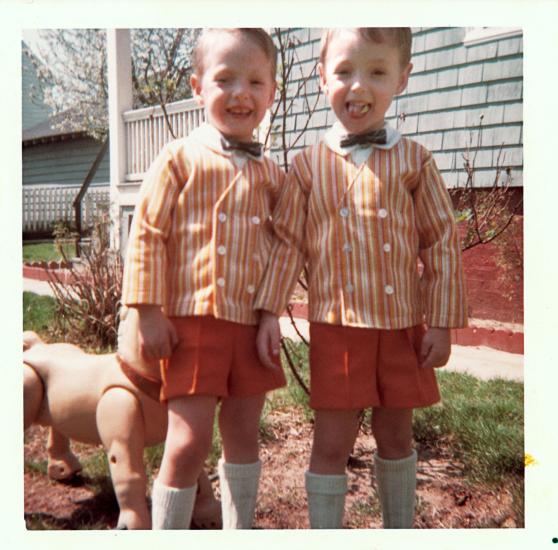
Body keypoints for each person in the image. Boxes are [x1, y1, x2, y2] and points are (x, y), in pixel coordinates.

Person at [255, 27, 467, 529]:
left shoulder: (414, 161)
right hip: (339, 329)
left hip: (400, 329)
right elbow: (288, 243)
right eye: (345, 71)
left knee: (396, 435)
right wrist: (268, 312)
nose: (358, 87)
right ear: (321, 75)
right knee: (331, 441)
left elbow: (441, 240)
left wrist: (441, 322)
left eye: (377, 72)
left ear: (403, 78)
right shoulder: (307, 166)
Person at [120, 28, 286, 530]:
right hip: (191, 325)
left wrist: (272, 312)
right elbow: (147, 232)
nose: (241, 93)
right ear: (198, 87)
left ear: (271, 95)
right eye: (225, 79)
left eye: (255, 81)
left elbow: (284, 247)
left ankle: (239, 531)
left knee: (242, 436)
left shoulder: (273, 175)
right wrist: (147, 310)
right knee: (188, 441)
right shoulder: (178, 157)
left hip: (249, 328)